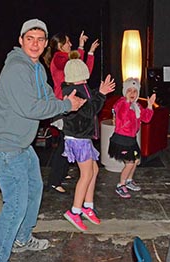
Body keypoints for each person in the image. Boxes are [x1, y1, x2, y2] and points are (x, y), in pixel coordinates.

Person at [0, 19, 87, 261]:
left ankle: (21, 238)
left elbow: (46, 95)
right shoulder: (17, 68)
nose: (35, 43)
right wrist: (65, 105)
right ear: (21, 41)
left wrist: (65, 101)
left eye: (40, 39)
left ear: (45, 43)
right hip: (6, 148)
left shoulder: (37, 68)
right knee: (15, 205)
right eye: (30, 38)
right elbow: (32, 108)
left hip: (21, 145)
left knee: (34, 189)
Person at [61, 51, 115, 231]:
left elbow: (90, 100)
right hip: (78, 139)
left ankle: (87, 207)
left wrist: (98, 93)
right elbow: (89, 111)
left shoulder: (79, 87)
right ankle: (74, 212)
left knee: (94, 170)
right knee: (85, 174)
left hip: (83, 137)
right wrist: (100, 94)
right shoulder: (73, 93)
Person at [43, 31, 99, 194]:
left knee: (66, 142)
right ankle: (54, 181)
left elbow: (83, 70)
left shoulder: (66, 59)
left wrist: (89, 52)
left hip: (70, 105)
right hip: (64, 105)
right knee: (64, 144)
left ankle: (59, 174)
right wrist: (82, 47)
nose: (70, 44)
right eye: (68, 42)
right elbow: (74, 63)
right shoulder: (59, 58)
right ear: (60, 45)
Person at [108, 77, 156, 198]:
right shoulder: (121, 103)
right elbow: (122, 116)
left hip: (131, 140)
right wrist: (127, 102)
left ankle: (128, 181)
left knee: (135, 161)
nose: (132, 93)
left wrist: (150, 106)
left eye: (135, 91)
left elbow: (146, 118)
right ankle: (121, 185)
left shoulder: (137, 106)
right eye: (129, 90)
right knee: (129, 163)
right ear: (125, 91)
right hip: (121, 140)